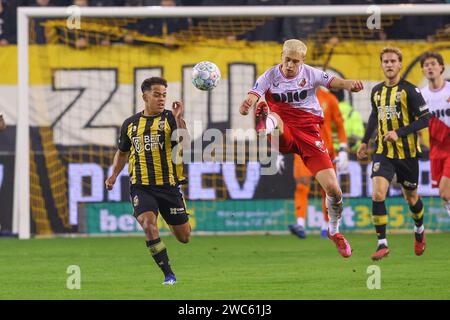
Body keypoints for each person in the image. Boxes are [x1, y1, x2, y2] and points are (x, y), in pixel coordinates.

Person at [240, 39, 364, 258]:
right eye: (287, 60)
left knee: (334, 192)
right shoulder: (269, 76)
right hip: (284, 131)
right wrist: (248, 102)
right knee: (274, 115)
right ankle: (264, 125)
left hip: (309, 134)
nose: (290, 65)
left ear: (302, 61)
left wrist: (348, 84)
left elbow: (332, 81)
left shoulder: (310, 74)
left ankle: (334, 232)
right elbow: (255, 92)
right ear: (282, 55)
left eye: (295, 62)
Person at [105, 77, 191, 285]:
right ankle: (169, 275)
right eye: (156, 94)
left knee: (184, 237)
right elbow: (122, 152)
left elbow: (185, 144)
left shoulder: (171, 118)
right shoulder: (130, 124)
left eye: (164, 95)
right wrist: (114, 174)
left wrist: (179, 118)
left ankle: (172, 220)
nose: (161, 99)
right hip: (141, 187)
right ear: (145, 96)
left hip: (169, 186)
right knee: (148, 225)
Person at [357, 47, 431, 261]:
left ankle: (419, 230)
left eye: (393, 61)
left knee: (411, 198)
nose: (389, 64)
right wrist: (364, 141)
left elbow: (426, 119)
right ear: (382, 65)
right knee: (378, 194)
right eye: (385, 61)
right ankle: (382, 243)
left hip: (407, 154)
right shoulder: (377, 91)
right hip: (383, 152)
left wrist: (399, 132)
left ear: (400, 64)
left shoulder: (411, 91)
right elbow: (374, 116)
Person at [289, 86, 348, 239]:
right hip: (303, 149)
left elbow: (340, 125)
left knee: (328, 190)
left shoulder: (329, 98)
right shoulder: (294, 97)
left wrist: (343, 149)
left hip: (325, 150)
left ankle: (326, 225)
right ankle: (300, 224)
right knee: (302, 185)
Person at [420, 52, 450, 216]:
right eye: (426, 65)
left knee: (445, 192)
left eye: (433, 64)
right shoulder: (422, 96)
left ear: (441, 68)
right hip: (435, 150)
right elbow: (417, 122)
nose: (430, 67)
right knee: (444, 195)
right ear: (423, 70)